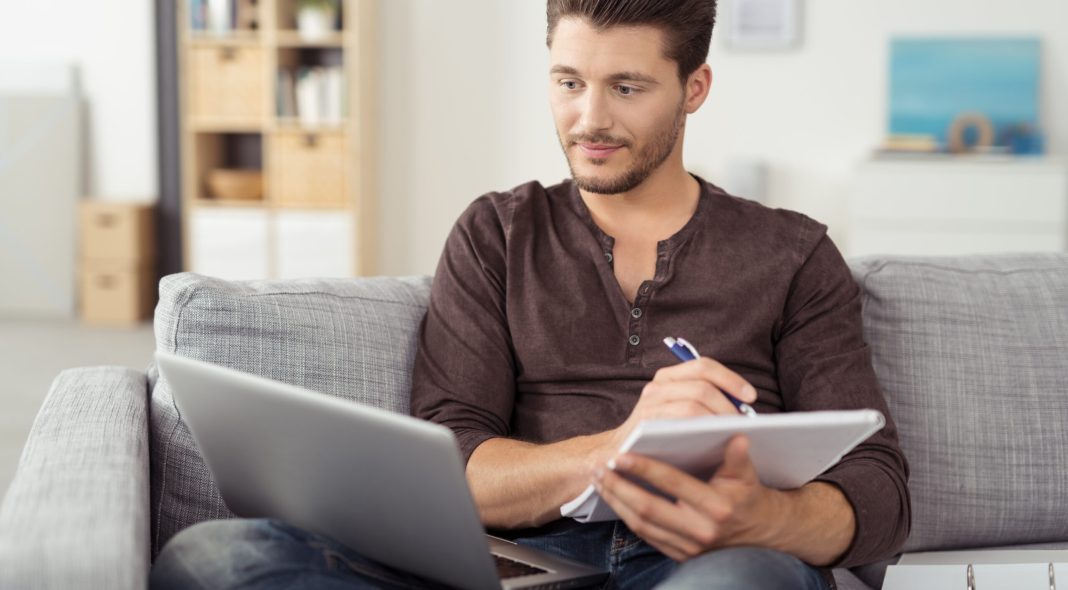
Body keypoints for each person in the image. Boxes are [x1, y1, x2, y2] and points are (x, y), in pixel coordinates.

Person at [150, 1, 910, 588]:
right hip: (522, 559)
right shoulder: (497, 234)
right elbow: (458, 459)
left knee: (746, 581)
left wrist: (768, 518)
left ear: (694, 88)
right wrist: (612, 452)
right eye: (569, 82)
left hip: (708, 563)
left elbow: (878, 490)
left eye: (627, 87)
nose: (590, 119)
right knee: (216, 557)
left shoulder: (793, 253)